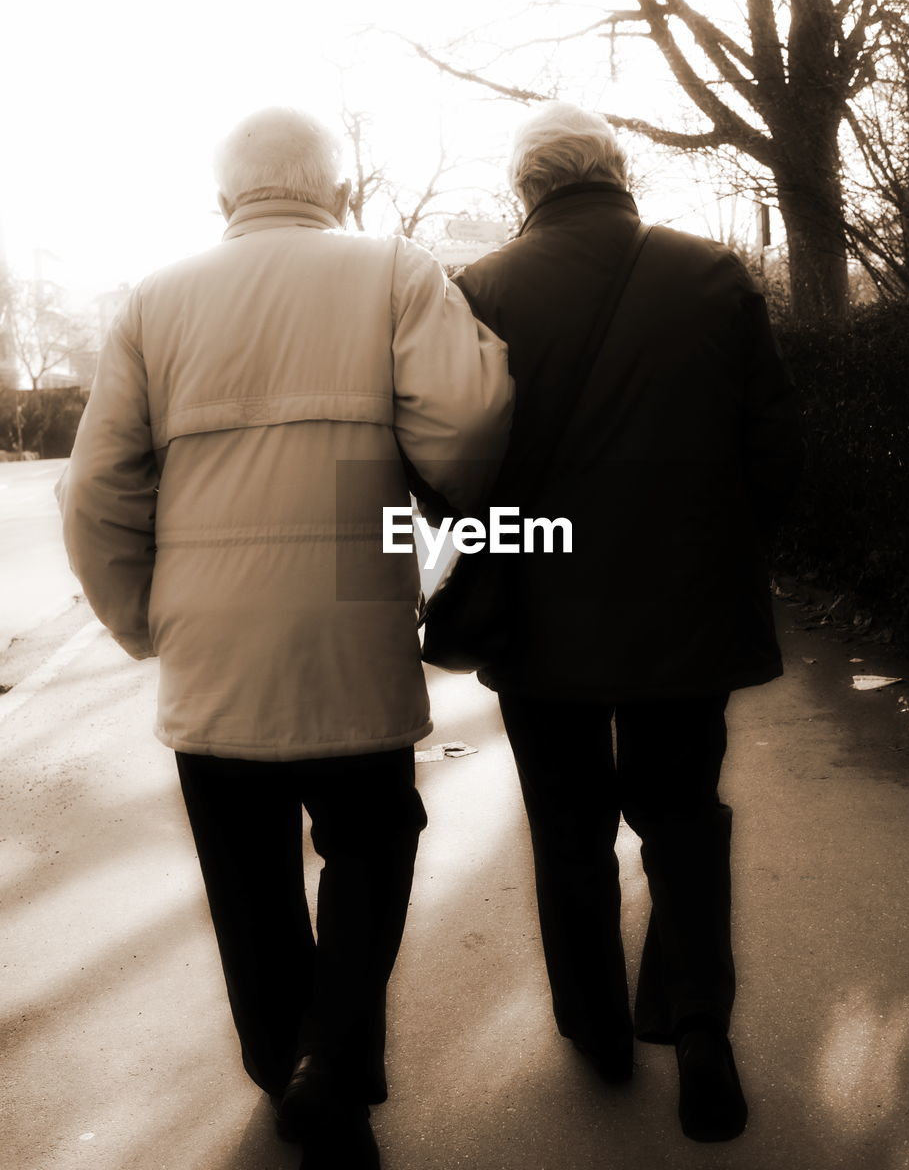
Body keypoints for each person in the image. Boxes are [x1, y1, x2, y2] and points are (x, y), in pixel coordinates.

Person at [57, 106, 512, 1170]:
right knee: (372, 837)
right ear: (336, 190)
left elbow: (96, 491)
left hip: (211, 639)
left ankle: (289, 1068)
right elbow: (469, 422)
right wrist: (440, 492)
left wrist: (143, 618)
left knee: (249, 873)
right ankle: (334, 1059)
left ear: (226, 201)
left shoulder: (154, 300)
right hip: (352, 613)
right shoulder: (392, 269)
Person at [453, 102, 803, 1142]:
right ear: (618, 170)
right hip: (684, 606)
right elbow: (774, 447)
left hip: (538, 606)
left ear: (526, 190)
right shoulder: (713, 273)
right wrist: (730, 550)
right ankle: (700, 1029)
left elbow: (455, 462)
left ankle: (598, 1029)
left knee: (570, 828)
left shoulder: (479, 289)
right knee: (682, 813)